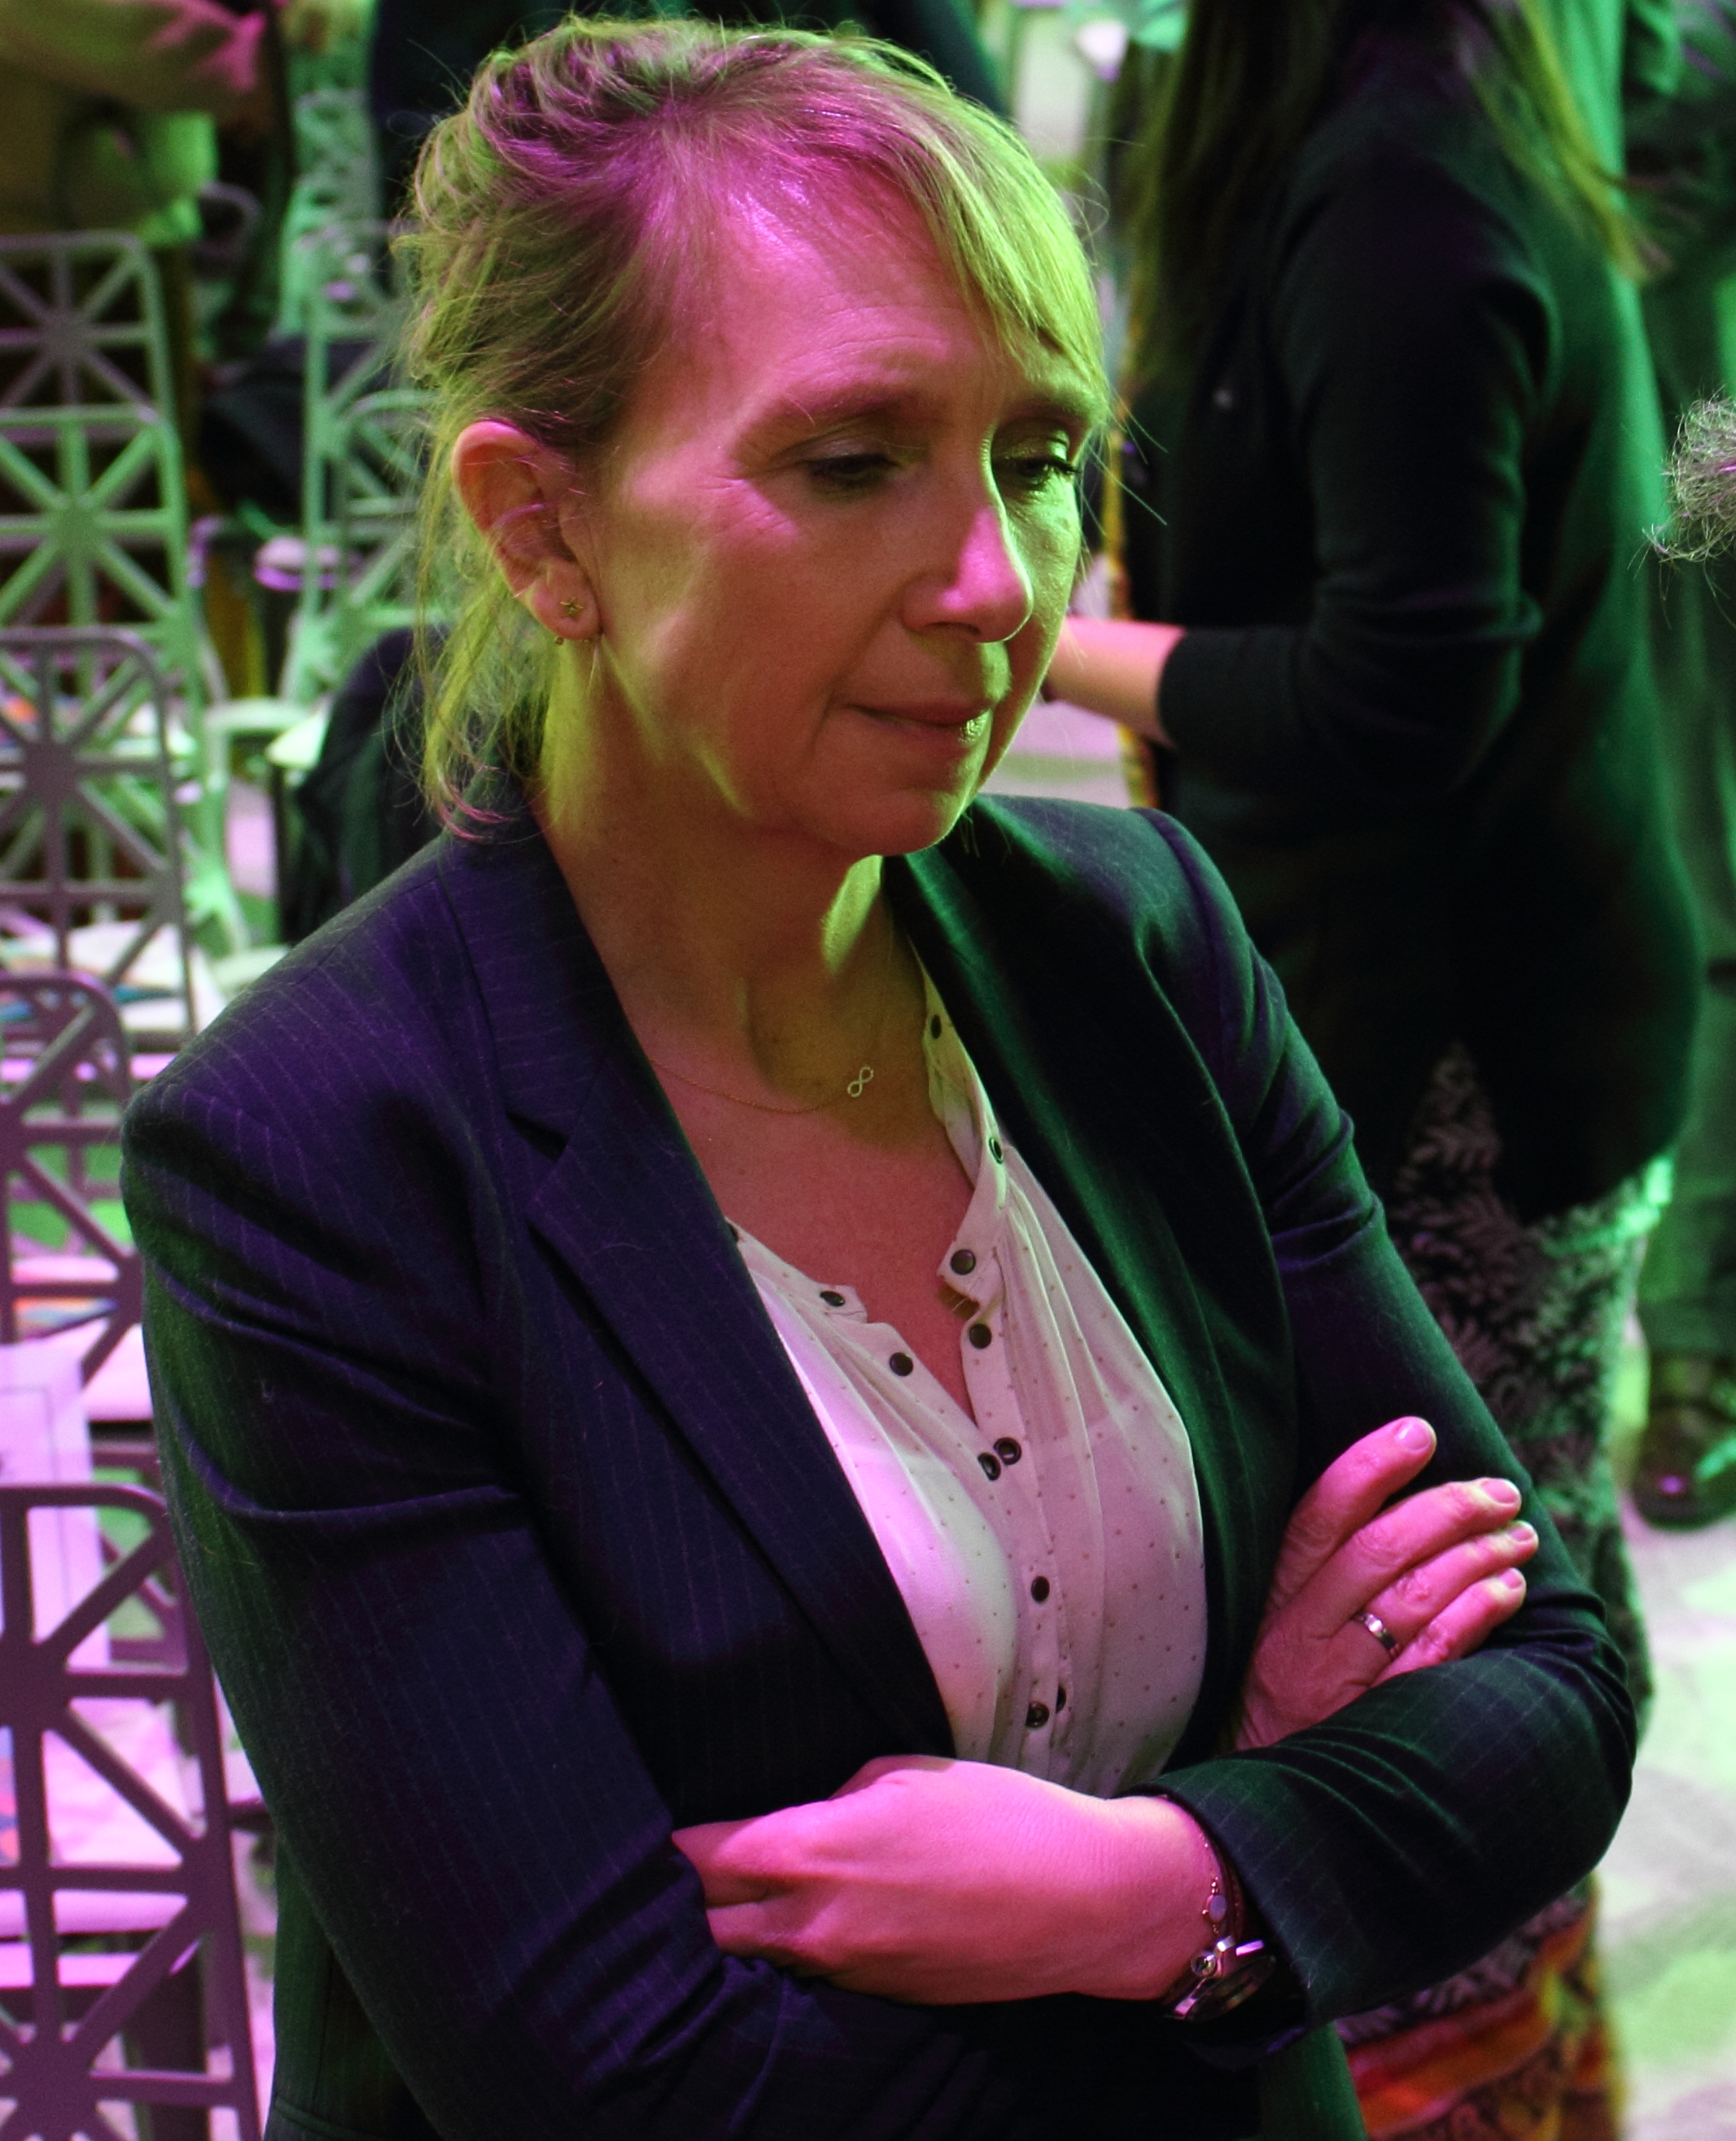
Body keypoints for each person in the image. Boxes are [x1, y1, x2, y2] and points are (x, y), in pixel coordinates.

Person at [124, 22, 1635, 2140]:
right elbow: (616, 2081)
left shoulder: (1135, 943)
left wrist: (1150, 1883)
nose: (1001, 585)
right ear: (542, 529)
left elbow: (1551, 1688)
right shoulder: (321, 1152)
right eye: (852, 464)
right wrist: (1269, 1813)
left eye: (1039, 456)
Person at [1046, 0, 1698, 2131]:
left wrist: (1036, 641)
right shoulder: (1357, 122)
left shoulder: (1408, 180)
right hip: (1441, 1001)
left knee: (1458, 1611)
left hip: (1476, 1050)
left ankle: (1486, 2070)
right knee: (1495, 1561)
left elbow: (1401, 688)